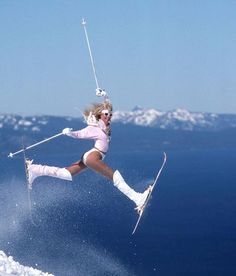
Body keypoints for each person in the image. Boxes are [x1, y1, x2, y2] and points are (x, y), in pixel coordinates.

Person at [26, 101, 151, 212]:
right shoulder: (95, 128)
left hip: (91, 156)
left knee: (66, 174)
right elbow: (80, 134)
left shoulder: (104, 127)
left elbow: (105, 109)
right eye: (106, 114)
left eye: (110, 114)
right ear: (99, 116)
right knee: (115, 177)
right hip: (93, 157)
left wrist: (103, 96)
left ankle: (35, 170)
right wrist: (69, 133)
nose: (109, 117)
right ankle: (137, 198)